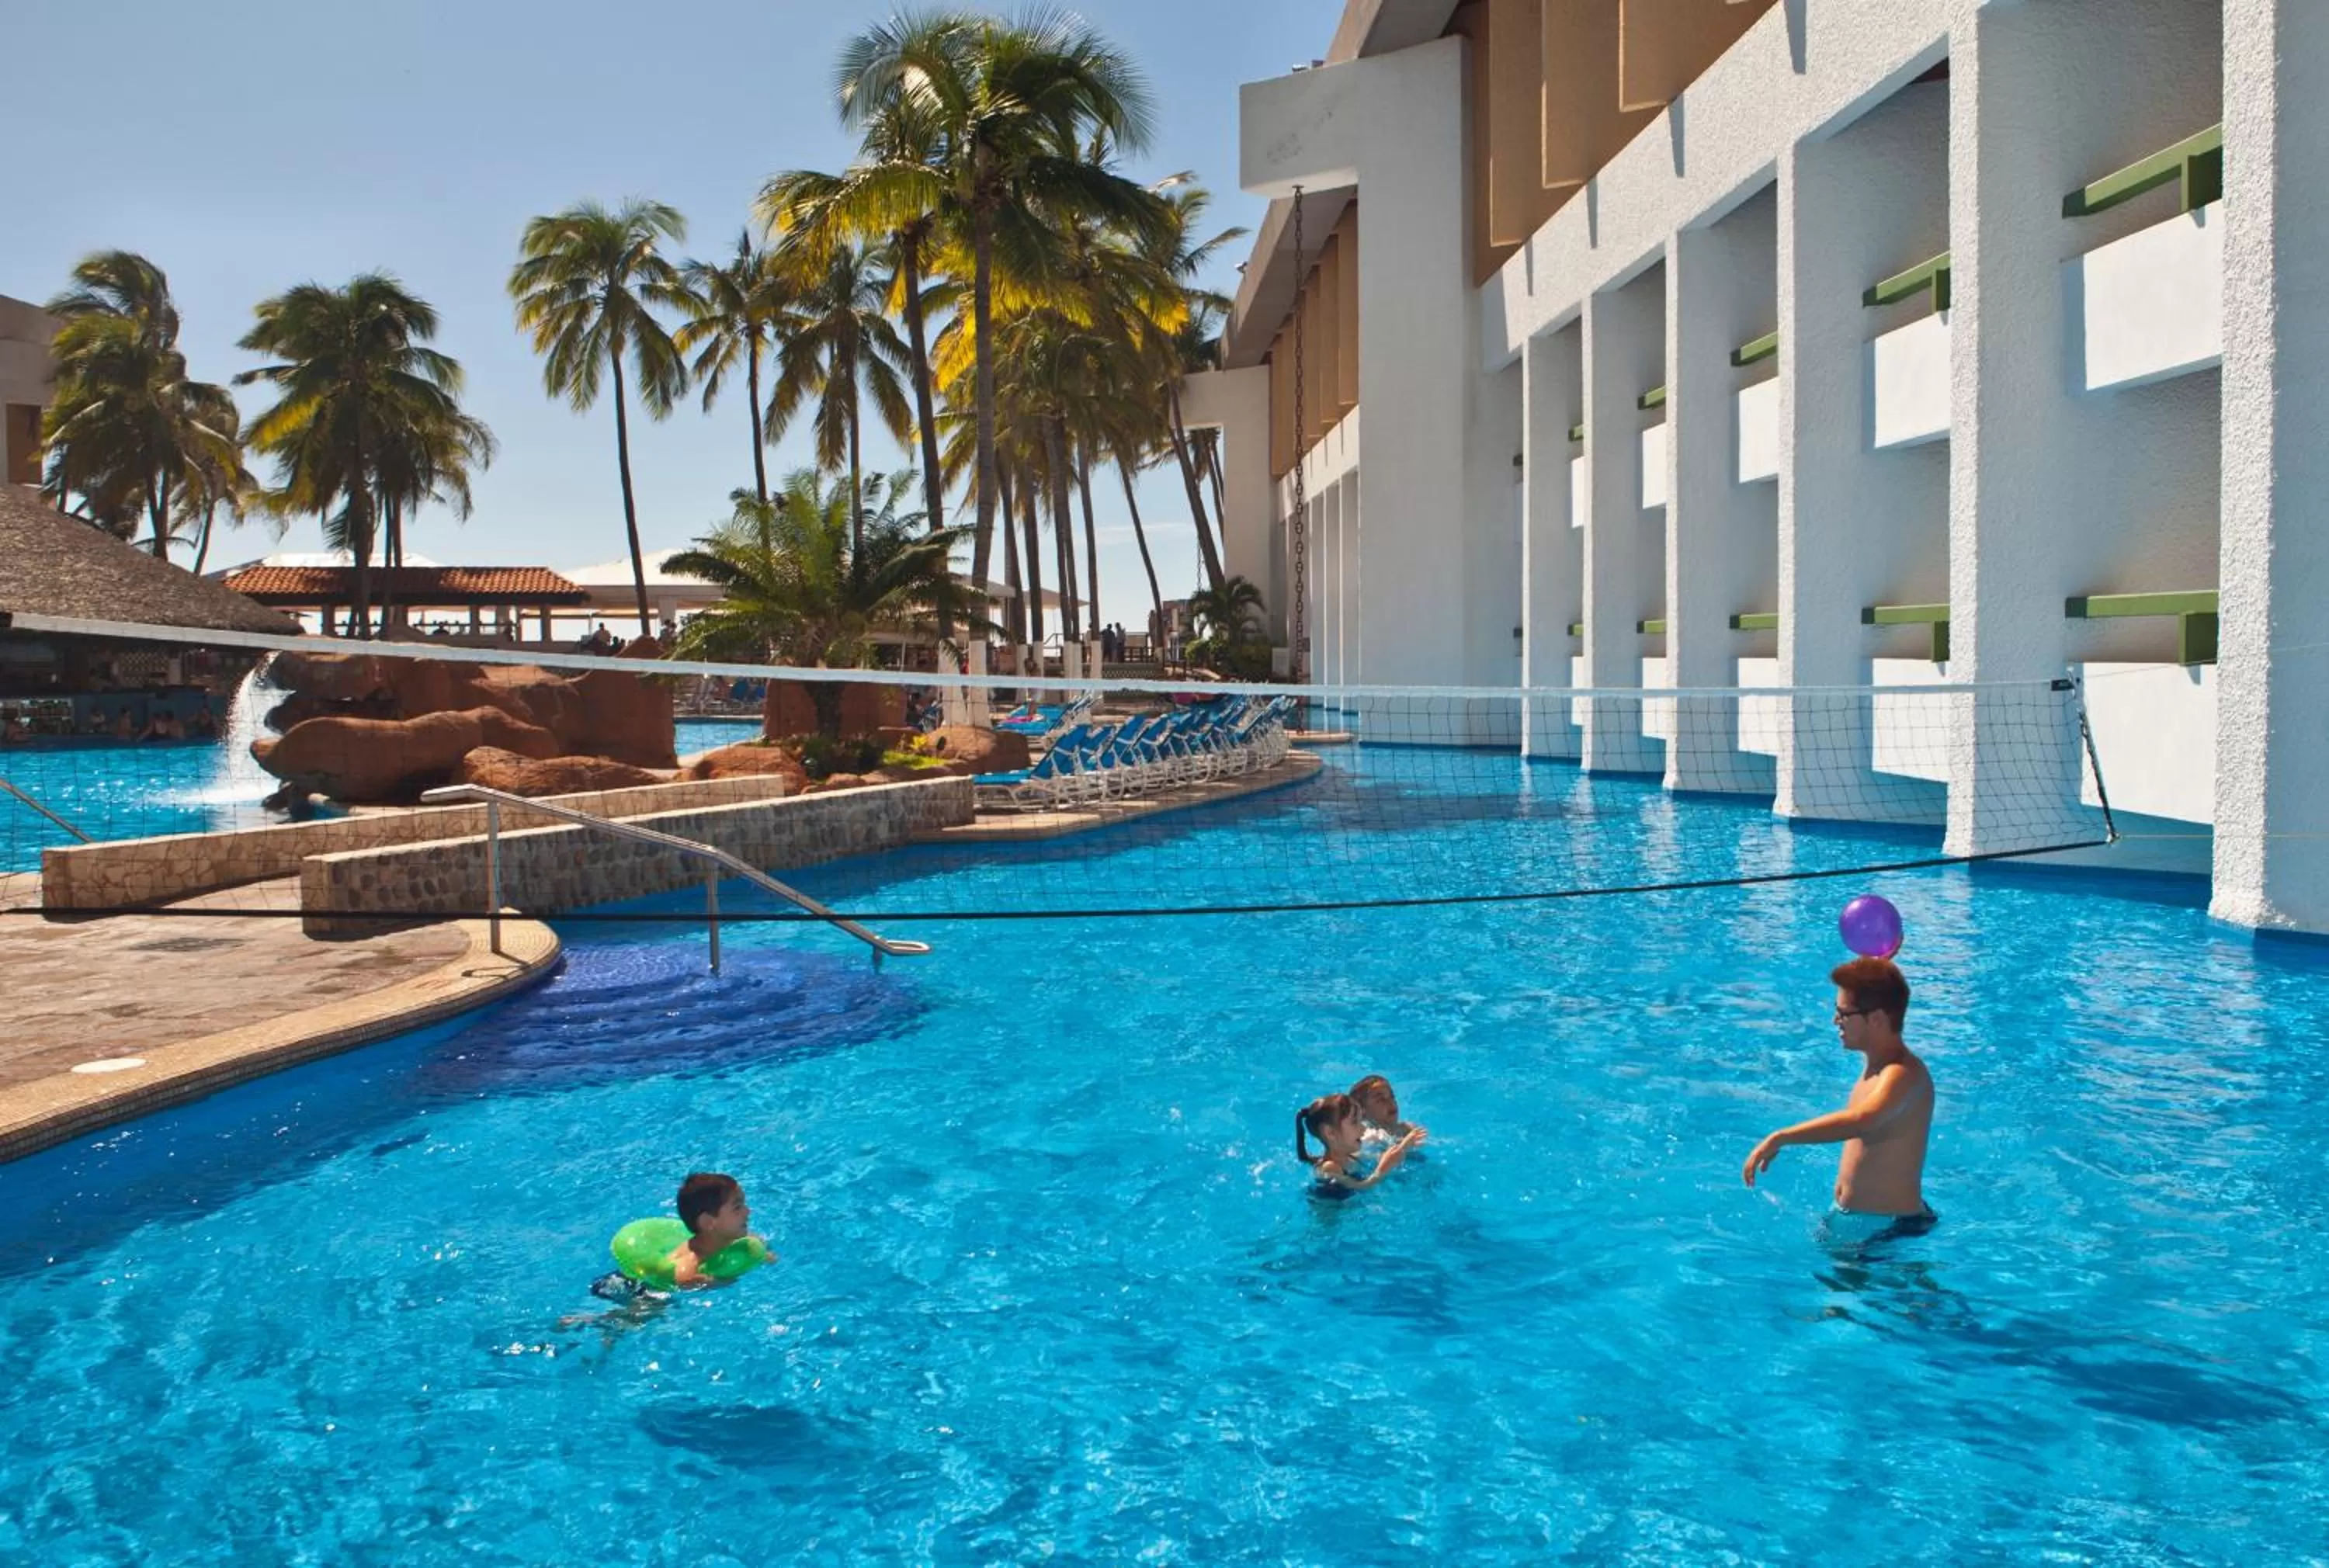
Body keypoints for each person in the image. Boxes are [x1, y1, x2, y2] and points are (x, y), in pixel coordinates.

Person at [1742, 956, 1935, 1232]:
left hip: (1889, 1231)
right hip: (1863, 1223)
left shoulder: (1902, 1074)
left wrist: (1781, 1137)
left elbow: (1863, 1120)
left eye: (1844, 1013)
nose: (1836, 1020)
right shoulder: (1878, 1066)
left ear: (1877, 1019)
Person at [1296, 1091, 1422, 1197]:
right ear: (1330, 1132)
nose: (1363, 1129)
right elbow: (1362, 1187)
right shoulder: (1329, 1167)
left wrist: (1403, 1146)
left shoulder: (1351, 1157)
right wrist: (1382, 1171)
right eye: (1354, 1122)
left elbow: (1385, 1158)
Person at [1348, 1074, 1425, 1147]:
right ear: (1362, 1110)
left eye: (1392, 1096)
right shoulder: (1369, 1137)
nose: (1390, 1102)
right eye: (1381, 1099)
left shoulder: (1406, 1129)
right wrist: (1403, 1147)